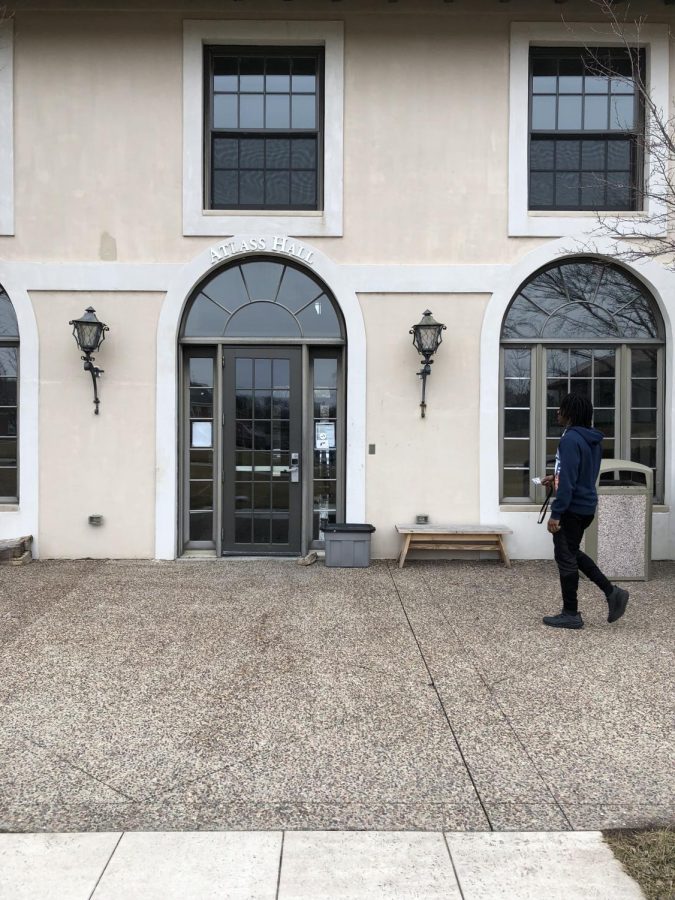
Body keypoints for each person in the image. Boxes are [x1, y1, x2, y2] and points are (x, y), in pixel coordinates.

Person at [541, 392, 629, 630]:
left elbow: (570, 480)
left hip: (571, 508)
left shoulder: (570, 439)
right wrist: (555, 478)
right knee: (571, 552)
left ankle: (571, 612)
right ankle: (613, 593)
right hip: (586, 505)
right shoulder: (591, 439)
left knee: (565, 557)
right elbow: (579, 473)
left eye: (561, 409)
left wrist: (556, 513)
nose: (557, 413)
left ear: (570, 414)